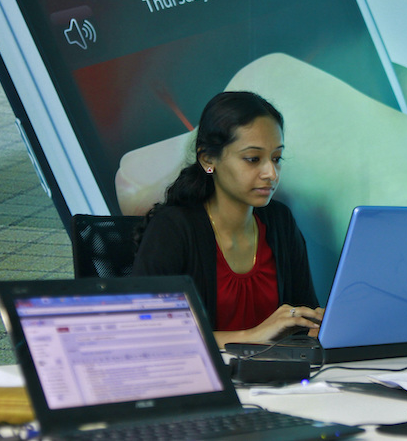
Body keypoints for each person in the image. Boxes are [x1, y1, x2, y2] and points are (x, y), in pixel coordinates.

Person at [132, 91, 323, 348]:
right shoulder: (174, 228)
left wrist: (315, 324)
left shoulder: (279, 221)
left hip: (277, 380)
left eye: (276, 158)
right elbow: (149, 335)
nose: (271, 173)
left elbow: (303, 315)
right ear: (208, 160)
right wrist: (251, 337)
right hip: (206, 382)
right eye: (253, 159)